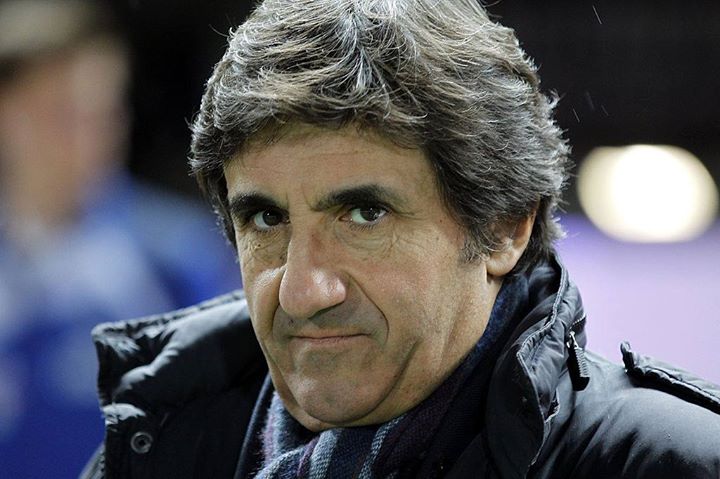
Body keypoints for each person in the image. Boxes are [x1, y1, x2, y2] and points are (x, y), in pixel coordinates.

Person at [82, 0, 720, 477]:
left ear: (504, 227)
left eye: (364, 215)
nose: (303, 292)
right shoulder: (150, 450)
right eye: (267, 220)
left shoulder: (672, 462)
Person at [0, 1, 239, 476]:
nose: (90, 138)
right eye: (63, 114)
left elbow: (227, 422)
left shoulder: (178, 256)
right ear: (8, 115)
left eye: (106, 113)